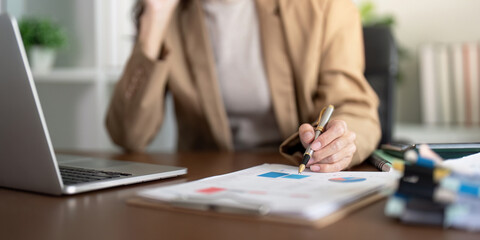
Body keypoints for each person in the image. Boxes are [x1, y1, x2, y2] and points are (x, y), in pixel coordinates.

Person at [106, 0, 381, 172]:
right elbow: (129, 134)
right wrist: (154, 16)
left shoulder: (324, 7)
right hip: (206, 184)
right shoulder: (172, 15)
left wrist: (341, 141)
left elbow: (354, 107)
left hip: (297, 176)